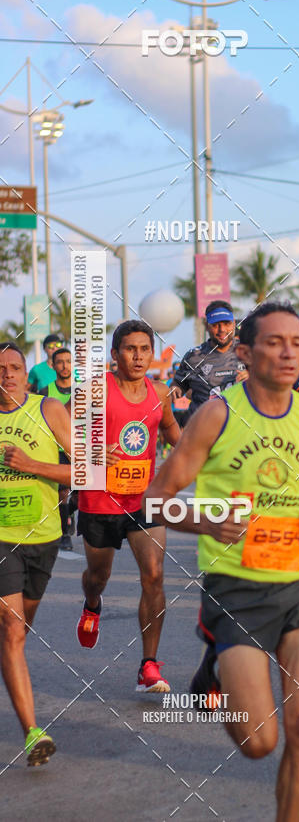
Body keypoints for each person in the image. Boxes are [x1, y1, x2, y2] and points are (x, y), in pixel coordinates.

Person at [143, 302, 299, 822]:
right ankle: (216, 667)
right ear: (244, 352)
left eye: (298, 342)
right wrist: (204, 520)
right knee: (260, 742)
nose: (290, 352)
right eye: (274, 342)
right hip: (236, 589)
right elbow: (156, 499)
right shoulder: (217, 415)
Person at [76, 321, 180, 693]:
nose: (138, 356)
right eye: (129, 349)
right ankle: (91, 603)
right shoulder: (93, 390)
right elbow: (63, 431)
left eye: (144, 349)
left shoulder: (160, 393)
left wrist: (184, 461)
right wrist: (91, 451)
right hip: (99, 500)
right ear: (115, 354)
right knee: (97, 577)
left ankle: (148, 665)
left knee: (153, 574)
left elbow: (171, 432)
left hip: (143, 499)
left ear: (151, 353)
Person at [0, 342, 71, 764]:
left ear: (28, 374)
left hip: (43, 537)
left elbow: (86, 468)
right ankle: (32, 731)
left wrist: (32, 465)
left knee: (19, 632)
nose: (6, 374)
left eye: (14, 367)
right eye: (0, 368)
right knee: (11, 628)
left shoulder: (48, 411)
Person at [172, 301, 247, 423]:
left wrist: (253, 379)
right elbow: (179, 383)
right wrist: (175, 389)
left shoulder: (248, 351)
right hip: (203, 430)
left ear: (233, 324)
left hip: (239, 429)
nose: (222, 329)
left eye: (226, 323)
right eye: (215, 325)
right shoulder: (193, 356)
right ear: (206, 326)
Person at [40, 348, 75, 551]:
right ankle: (64, 534)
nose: (64, 365)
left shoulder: (83, 390)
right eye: (60, 362)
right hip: (57, 449)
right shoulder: (44, 392)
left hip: (82, 448)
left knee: (79, 495)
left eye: (68, 361)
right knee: (63, 492)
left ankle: (69, 514)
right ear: (52, 365)